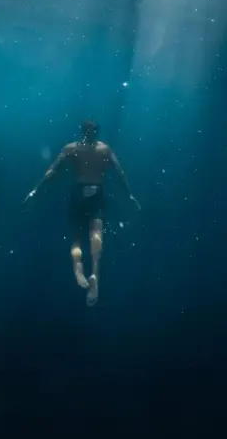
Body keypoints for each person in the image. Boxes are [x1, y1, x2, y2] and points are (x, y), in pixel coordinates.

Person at [23, 120, 140, 306]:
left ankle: (78, 268)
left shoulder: (71, 148)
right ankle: (95, 274)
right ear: (96, 132)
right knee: (96, 234)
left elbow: (52, 171)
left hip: (79, 191)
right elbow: (120, 173)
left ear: (82, 131)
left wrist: (36, 190)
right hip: (96, 191)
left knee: (77, 236)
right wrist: (130, 195)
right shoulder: (104, 150)